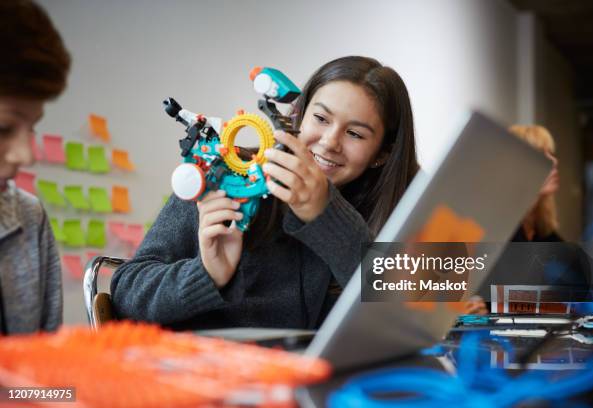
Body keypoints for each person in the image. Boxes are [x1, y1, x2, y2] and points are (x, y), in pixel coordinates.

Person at [111, 56, 419, 330]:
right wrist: (207, 275)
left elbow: (420, 313)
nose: (329, 142)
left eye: (354, 133)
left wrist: (328, 215)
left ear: (382, 154)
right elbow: (126, 295)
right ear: (298, 116)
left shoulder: (398, 208)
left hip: (326, 385)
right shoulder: (225, 174)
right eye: (321, 119)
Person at [0, 0, 71, 333]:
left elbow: (40, 384)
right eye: (4, 128)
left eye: (32, 127)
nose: (25, 155)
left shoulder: (29, 218)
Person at [466, 124, 562, 315]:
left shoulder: (542, 229)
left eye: (551, 153)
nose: (554, 162)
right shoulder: (489, 226)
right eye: (541, 156)